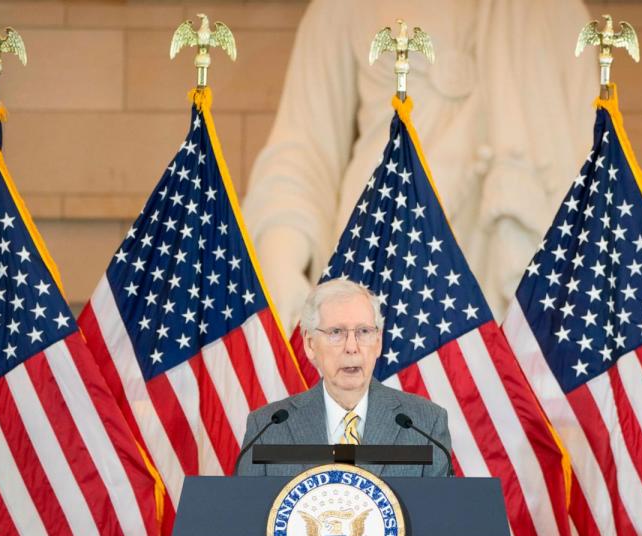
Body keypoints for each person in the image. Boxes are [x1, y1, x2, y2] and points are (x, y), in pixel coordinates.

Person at [242, 0, 598, 326]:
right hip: (381, 261)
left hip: (507, 264)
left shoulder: (554, 12)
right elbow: (303, 148)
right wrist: (282, 261)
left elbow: (589, 171)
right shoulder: (345, 7)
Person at [237, 278, 452, 536]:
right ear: (310, 344)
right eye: (336, 332)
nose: (352, 347)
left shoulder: (424, 422)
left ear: (379, 341)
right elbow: (243, 529)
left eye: (364, 332)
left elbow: (443, 528)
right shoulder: (269, 425)